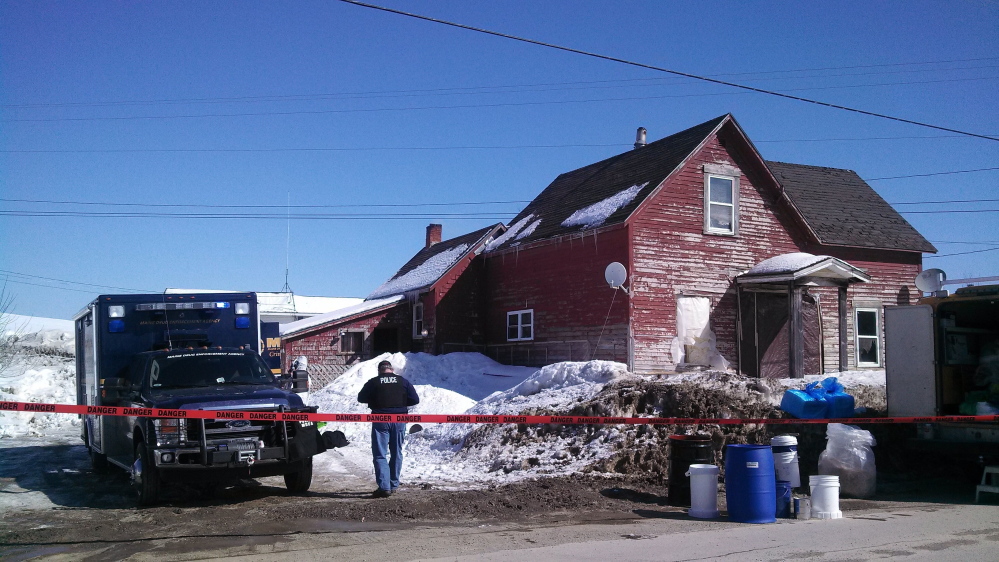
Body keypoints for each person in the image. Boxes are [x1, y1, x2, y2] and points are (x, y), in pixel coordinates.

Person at [357, 359, 419, 498]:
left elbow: (361, 398)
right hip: (400, 420)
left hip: (380, 420)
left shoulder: (374, 382)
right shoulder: (403, 381)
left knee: (380, 454)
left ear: (380, 370)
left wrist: (375, 399)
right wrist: (401, 403)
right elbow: (415, 399)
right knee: (397, 452)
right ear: (391, 370)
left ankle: (384, 487)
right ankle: (393, 484)